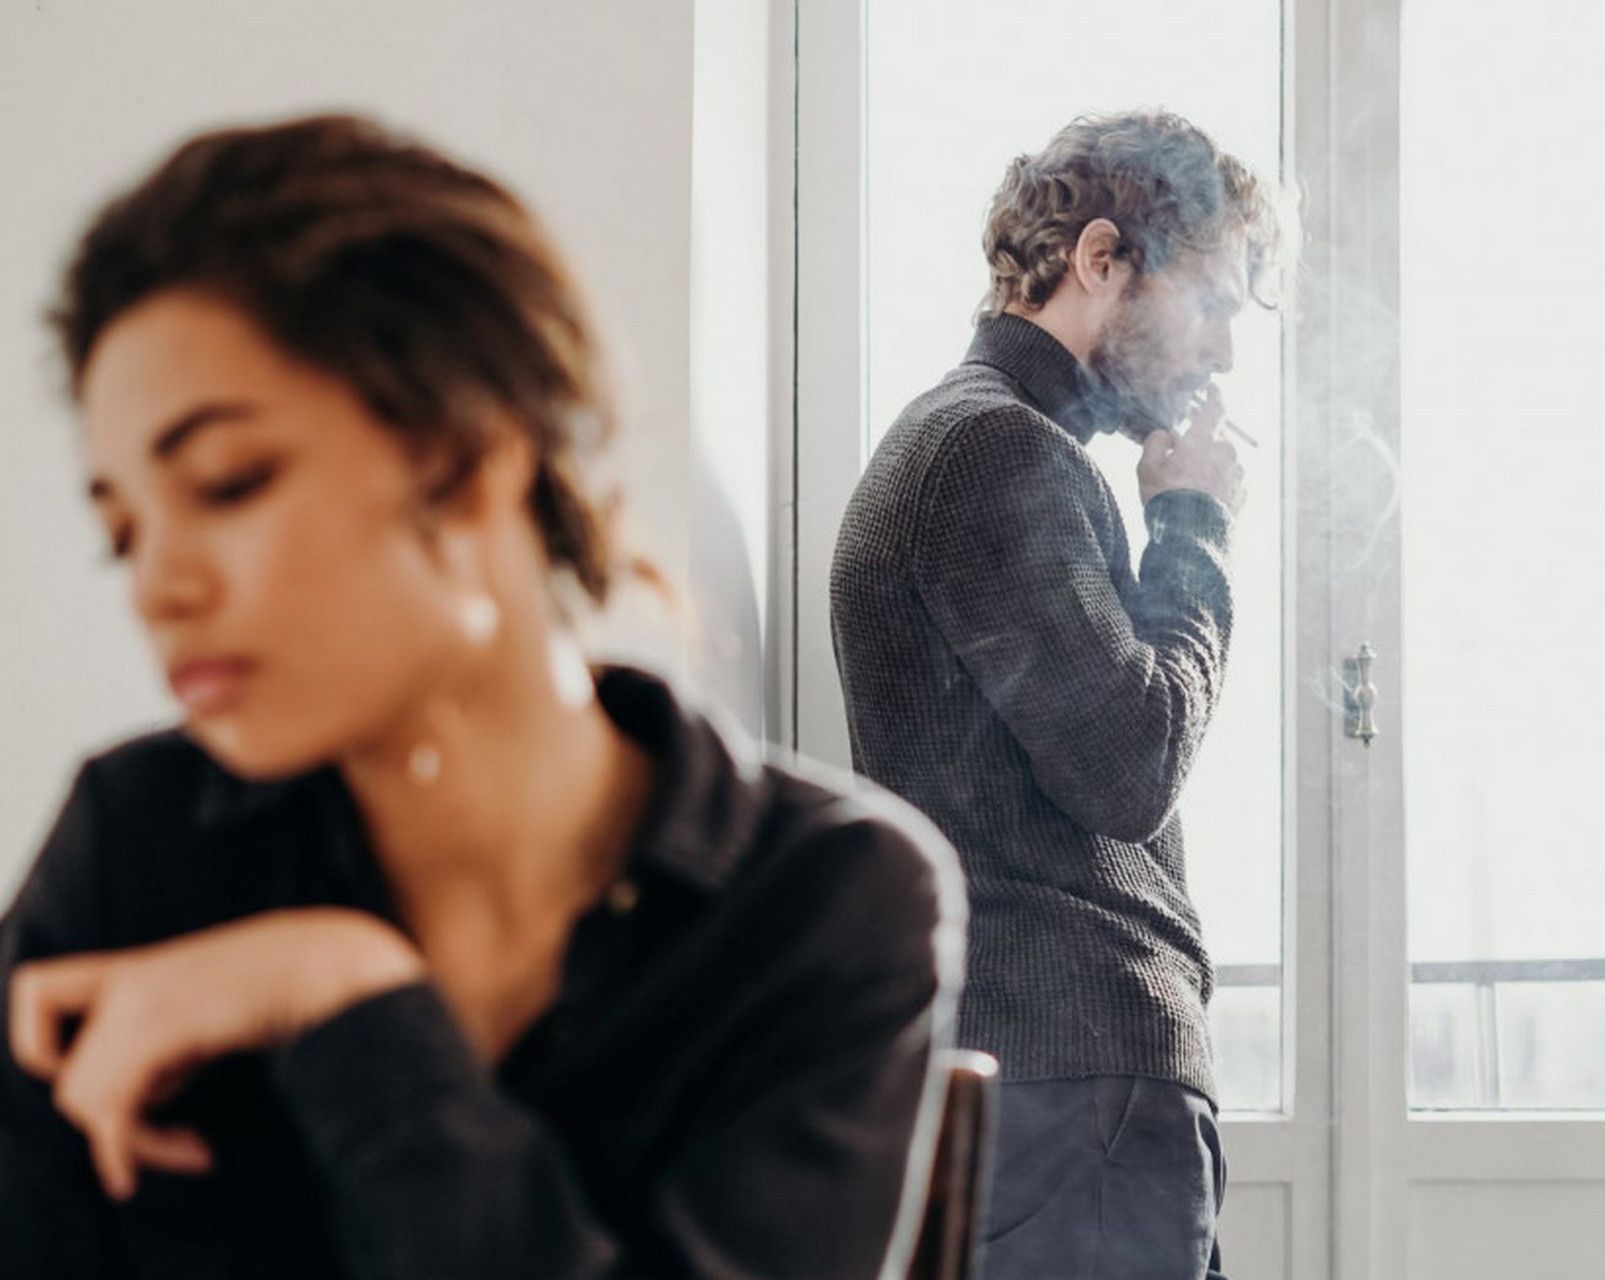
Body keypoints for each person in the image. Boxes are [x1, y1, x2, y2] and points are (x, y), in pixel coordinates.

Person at [0, 113, 963, 1280]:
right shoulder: (136, 840)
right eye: (121, 532)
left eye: (227, 481)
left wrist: (345, 997)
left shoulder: (831, 897)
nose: (158, 585)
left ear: (468, 464)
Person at [830, 110, 1287, 1279]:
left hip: (1059, 1091)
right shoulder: (995, 449)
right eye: (1214, 301)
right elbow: (1131, 762)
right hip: (1074, 1084)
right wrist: (1192, 524)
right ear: (1100, 258)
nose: (1225, 352)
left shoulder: (987, 443)